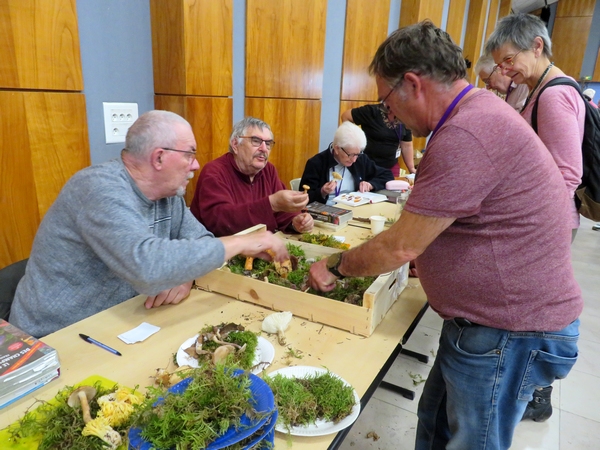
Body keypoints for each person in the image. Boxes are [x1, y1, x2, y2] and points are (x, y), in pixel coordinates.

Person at [308, 21, 582, 450]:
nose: (390, 116)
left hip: (507, 330)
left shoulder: (467, 132)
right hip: (486, 325)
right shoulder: (475, 116)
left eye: (387, 102)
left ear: (412, 84)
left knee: (471, 441)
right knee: (435, 423)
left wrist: (334, 265)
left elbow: (401, 244)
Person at [9, 110, 289, 338]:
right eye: (189, 154)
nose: (195, 165)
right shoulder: (98, 189)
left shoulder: (169, 194)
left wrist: (186, 274)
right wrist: (240, 242)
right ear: (159, 157)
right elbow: (147, 266)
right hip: (55, 337)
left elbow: (201, 240)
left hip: (124, 321)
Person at [486, 14, 584, 243]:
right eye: (500, 65)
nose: (505, 71)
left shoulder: (553, 95)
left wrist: (531, 223)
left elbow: (567, 175)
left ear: (537, 46)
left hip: (545, 221)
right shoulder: (541, 88)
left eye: (509, 60)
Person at [190, 117, 313, 237]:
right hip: (224, 252)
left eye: (268, 143)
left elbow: (282, 212)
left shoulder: (268, 170)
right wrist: (271, 205)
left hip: (261, 247)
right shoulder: (214, 172)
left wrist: (295, 221)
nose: (264, 149)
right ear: (235, 144)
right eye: (256, 141)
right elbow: (221, 223)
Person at [298, 121, 393, 205]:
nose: (354, 160)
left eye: (357, 154)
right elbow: (304, 198)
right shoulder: (316, 163)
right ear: (337, 148)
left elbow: (387, 175)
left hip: (354, 209)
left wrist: (371, 184)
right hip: (325, 212)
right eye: (350, 155)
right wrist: (322, 192)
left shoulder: (361, 160)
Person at [341, 104, 416, 176]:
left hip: (391, 166)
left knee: (393, 188)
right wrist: (354, 139)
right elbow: (346, 116)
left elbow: (407, 146)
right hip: (368, 166)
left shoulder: (405, 117)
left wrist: (412, 169)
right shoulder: (371, 111)